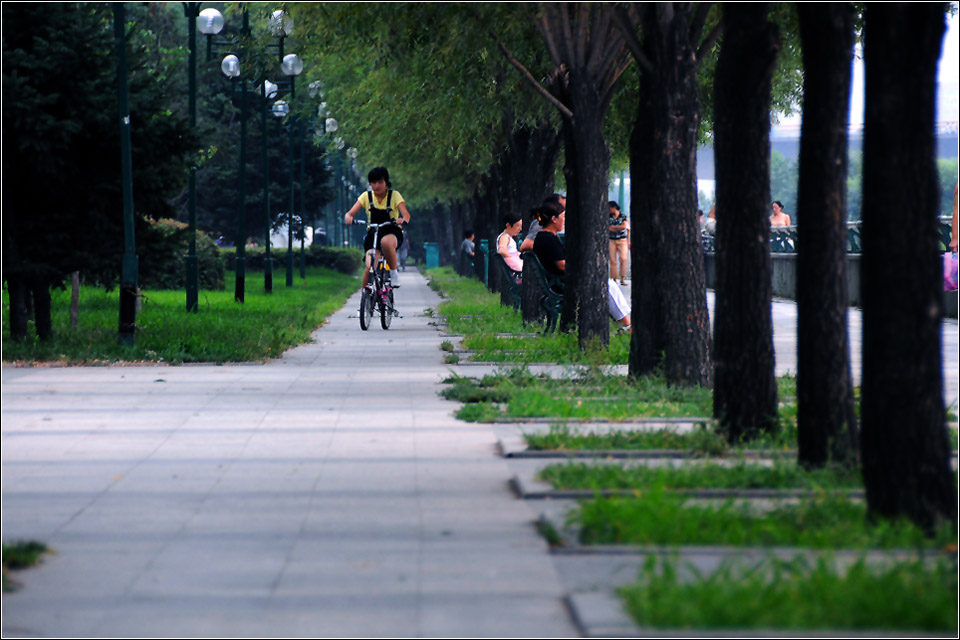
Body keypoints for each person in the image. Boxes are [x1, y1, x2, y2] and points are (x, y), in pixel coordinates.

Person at [532, 204, 632, 333]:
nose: (564, 220)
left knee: (608, 284)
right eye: (563, 216)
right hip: (561, 284)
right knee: (607, 285)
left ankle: (623, 324)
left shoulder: (543, 237)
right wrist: (584, 271)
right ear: (554, 219)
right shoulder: (549, 239)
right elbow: (561, 265)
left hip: (558, 281)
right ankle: (627, 324)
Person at [344, 166, 410, 289]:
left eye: (380, 182)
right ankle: (366, 301)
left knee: (385, 242)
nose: (377, 185)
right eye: (373, 182)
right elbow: (350, 213)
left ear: (386, 182)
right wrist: (348, 217)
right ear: (370, 183)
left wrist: (403, 220)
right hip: (373, 233)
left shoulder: (394, 196)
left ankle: (394, 273)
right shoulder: (366, 197)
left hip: (392, 232)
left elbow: (406, 214)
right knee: (370, 266)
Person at [497, 212, 524, 280]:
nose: (520, 229)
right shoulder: (504, 237)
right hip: (516, 271)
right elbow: (501, 250)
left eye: (521, 226)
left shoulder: (508, 237)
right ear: (508, 225)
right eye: (517, 226)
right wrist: (513, 260)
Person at [608, 200, 629, 285]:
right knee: (613, 260)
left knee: (623, 258)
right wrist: (618, 227)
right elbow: (609, 228)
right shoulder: (608, 216)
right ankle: (614, 278)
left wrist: (614, 227)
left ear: (614, 207)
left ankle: (622, 277)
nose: (609, 210)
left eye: (610, 208)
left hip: (622, 239)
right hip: (611, 239)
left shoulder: (623, 216)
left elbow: (624, 226)